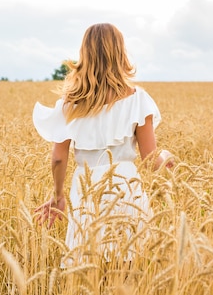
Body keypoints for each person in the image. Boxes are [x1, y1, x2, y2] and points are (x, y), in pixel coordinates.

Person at [32, 23, 173, 266]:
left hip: (86, 186)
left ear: (84, 54)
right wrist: (169, 161)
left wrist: (58, 196)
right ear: (120, 53)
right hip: (126, 186)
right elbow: (151, 160)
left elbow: (58, 158)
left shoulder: (70, 103)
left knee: (88, 262)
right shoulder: (138, 99)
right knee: (130, 261)